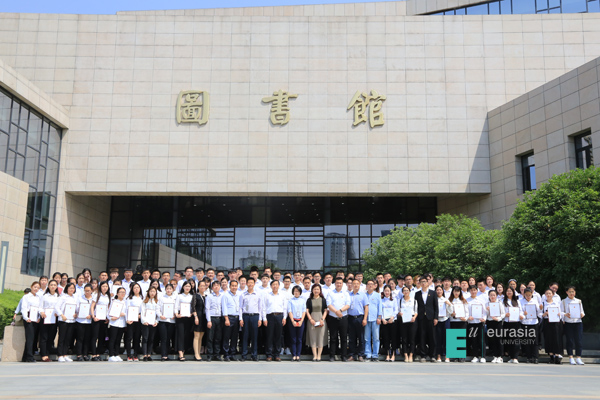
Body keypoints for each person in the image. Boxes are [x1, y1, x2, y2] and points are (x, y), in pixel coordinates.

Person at [326, 277, 351, 362]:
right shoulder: (330, 293)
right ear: (335, 284)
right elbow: (329, 304)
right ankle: (332, 355)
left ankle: (344, 356)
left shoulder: (346, 293)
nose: (339, 284)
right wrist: (336, 312)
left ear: (342, 284)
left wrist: (340, 311)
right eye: (337, 283)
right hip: (333, 317)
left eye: (340, 283)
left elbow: (348, 305)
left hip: (343, 318)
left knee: (344, 338)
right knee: (333, 338)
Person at [414, 276, 438, 362]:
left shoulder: (433, 293)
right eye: (421, 282)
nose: (423, 283)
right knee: (422, 337)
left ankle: (433, 355)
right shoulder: (417, 294)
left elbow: (436, 306)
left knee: (432, 337)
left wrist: (435, 317)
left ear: (428, 283)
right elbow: (415, 306)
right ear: (419, 283)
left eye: (424, 281)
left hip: (431, 317)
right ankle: (423, 355)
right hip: (421, 317)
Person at [263, 280, 287, 362]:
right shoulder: (267, 295)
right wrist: (264, 318)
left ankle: (277, 354)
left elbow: (285, 308)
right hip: (270, 316)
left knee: (278, 336)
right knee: (269, 336)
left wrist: (284, 318)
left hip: (279, 316)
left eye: (276, 284)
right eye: (273, 284)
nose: (275, 286)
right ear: (271, 286)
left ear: (279, 286)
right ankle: (269, 354)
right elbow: (264, 307)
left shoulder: (282, 295)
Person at [240, 277, 262, 361]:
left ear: (254, 284)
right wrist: (241, 318)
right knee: (245, 336)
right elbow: (240, 307)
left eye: (252, 283)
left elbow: (260, 308)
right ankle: (244, 355)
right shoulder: (243, 294)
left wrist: (260, 319)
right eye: (248, 283)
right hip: (245, 316)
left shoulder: (258, 294)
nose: (250, 284)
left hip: (255, 316)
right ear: (246, 284)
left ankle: (254, 355)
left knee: (254, 336)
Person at [55, 282, 78, 362]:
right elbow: (57, 307)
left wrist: (76, 314)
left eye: (73, 288)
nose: (72, 290)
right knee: (62, 338)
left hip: (71, 320)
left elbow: (77, 308)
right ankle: (60, 355)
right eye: (70, 288)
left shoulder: (75, 297)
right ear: (67, 289)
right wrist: (61, 315)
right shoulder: (63, 297)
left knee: (68, 338)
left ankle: (65, 354)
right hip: (63, 320)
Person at [562, 286, 585, 365]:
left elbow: (582, 311)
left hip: (578, 322)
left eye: (573, 292)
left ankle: (578, 357)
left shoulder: (578, 301)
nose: (571, 293)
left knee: (578, 340)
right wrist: (565, 314)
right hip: (568, 323)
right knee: (570, 340)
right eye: (570, 291)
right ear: (567, 292)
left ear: (575, 292)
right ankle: (571, 357)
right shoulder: (564, 301)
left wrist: (582, 314)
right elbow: (561, 312)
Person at [306, 283, 328, 362]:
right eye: (315, 289)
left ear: (320, 290)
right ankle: (314, 355)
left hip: (321, 320)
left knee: (320, 338)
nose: (316, 291)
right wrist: (311, 319)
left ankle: (319, 356)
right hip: (312, 320)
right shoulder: (309, 300)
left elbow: (325, 310)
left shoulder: (323, 300)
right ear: (312, 290)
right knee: (313, 338)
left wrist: (322, 319)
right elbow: (307, 311)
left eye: (318, 289)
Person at [347, 279, 368, 362]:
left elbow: (366, 307)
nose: (355, 285)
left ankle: (361, 355)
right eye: (354, 284)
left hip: (360, 318)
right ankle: (352, 355)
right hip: (350, 318)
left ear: (359, 285)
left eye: (357, 284)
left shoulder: (363, 295)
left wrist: (365, 319)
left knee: (361, 337)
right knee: (351, 338)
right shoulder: (348, 295)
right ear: (351, 285)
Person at [39, 279, 60, 362]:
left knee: (51, 337)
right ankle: (43, 355)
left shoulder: (58, 297)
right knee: (44, 337)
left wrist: (58, 313)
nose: (53, 286)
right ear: (48, 286)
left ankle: (47, 353)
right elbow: (40, 306)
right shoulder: (44, 296)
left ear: (57, 287)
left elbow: (60, 307)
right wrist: (42, 312)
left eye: (54, 285)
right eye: (51, 285)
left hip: (54, 319)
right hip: (45, 318)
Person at [175, 280, 196, 362]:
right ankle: (180, 353)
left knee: (186, 335)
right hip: (180, 317)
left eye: (189, 286)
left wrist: (191, 313)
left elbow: (193, 307)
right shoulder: (179, 296)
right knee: (180, 335)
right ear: (183, 287)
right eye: (186, 286)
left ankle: (184, 350)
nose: (187, 288)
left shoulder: (192, 296)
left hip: (189, 317)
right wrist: (176, 314)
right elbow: (176, 306)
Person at [21, 281, 42, 362]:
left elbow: (39, 308)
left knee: (32, 338)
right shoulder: (26, 296)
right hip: (28, 318)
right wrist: (26, 318)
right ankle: (29, 357)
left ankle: (25, 357)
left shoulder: (38, 297)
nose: (36, 289)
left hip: (35, 319)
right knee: (29, 338)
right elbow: (24, 308)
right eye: (35, 287)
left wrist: (39, 317)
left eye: (38, 288)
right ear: (31, 287)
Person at [90, 281, 111, 361]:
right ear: (100, 287)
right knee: (94, 337)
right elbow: (92, 306)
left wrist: (108, 318)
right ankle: (93, 354)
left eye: (106, 286)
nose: (105, 288)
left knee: (101, 337)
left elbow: (108, 308)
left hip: (104, 319)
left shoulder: (108, 296)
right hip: (97, 318)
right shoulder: (96, 295)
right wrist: (93, 316)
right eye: (103, 286)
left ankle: (98, 353)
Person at [221, 280, 242, 362]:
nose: (234, 287)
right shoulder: (225, 295)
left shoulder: (239, 295)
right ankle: (226, 354)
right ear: (229, 286)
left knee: (235, 337)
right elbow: (224, 308)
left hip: (237, 318)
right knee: (226, 336)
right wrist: (226, 318)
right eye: (232, 286)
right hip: (229, 317)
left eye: (235, 286)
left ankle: (232, 354)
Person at [542, 288, 563, 364]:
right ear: (545, 295)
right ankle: (551, 357)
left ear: (552, 294)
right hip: (547, 322)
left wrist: (559, 314)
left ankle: (557, 357)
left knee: (557, 339)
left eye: (550, 293)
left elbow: (561, 313)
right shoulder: (543, 304)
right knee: (548, 339)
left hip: (556, 322)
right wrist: (544, 314)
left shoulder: (557, 303)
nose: (548, 295)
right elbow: (540, 314)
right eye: (547, 293)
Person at [520, 288, 541, 364]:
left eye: (529, 295)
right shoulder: (521, 301)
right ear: (524, 294)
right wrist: (523, 314)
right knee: (527, 341)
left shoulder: (535, 301)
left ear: (532, 294)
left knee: (535, 341)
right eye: (526, 295)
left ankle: (535, 357)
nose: (528, 296)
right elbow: (520, 311)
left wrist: (540, 309)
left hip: (534, 323)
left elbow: (539, 312)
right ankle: (528, 357)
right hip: (525, 323)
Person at [503, 287, 524, 364]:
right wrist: (505, 314)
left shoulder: (517, 301)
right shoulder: (503, 301)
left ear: (513, 292)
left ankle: (515, 357)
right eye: (507, 291)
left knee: (516, 340)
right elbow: (501, 312)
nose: (509, 292)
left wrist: (521, 316)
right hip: (507, 322)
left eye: (510, 291)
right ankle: (511, 357)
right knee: (509, 340)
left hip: (516, 323)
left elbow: (521, 311)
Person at [467, 285, 487, 363]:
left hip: (480, 322)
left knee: (481, 340)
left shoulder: (481, 300)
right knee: (473, 340)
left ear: (477, 291)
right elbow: (465, 311)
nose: (473, 292)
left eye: (474, 290)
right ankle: (475, 356)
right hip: (471, 323)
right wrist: (468, 317)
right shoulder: (467, 300)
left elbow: (484, 312)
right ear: (470, 291)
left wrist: (484, 318)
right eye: (472, 290)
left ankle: (483, 356)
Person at [157, 283, 177, 361]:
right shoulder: (161, 298)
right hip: (163, 320)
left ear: (173, 290)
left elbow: (176, 308)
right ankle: (163, 355)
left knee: (168, 338)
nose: (169, 290)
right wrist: (160, 315)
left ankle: (167, 354)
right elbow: (157, 308)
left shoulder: (175, 298)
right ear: (165, 290)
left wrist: (175, 315)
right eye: (167, 289)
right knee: (163, 338)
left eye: (170, 289)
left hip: (171, 321)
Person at [448, 286, 468, 362]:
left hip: (461, 322)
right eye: (455, 291)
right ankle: (453, 356)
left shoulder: (463, 301)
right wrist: (451, 314)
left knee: (461, 339)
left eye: (458, 291)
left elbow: (467, 312)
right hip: (453, 321)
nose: (456, 293)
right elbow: (447, 312)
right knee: (453, 339)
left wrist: (465, 318)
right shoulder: (449, 301)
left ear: (460, 292)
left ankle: (461, 356)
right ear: (452, 292)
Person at [74, 284, 94, 361]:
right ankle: (79, 354)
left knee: (87, 338)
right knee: (80, 338)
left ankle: (85, 354)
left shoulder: (93, 299)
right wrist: (77, 313)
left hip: (89, 321)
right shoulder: (80, 298)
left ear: (91, 291)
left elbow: (95, 309)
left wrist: (91, 315)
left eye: (88, 290)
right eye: (85, 291)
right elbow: (76, 308)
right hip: (80, 321)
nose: (87, 292)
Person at [287, 286, 307, 361]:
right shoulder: (290, 300)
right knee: (293, 339)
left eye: (298, 291)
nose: (296, 292)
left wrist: (301, 321)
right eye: (295, 291)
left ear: (300, 292)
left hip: (300, 320)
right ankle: (294, 355)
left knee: (299, 339)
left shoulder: (303, 301)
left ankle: (298, 355)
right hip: (293, 320)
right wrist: (293, 321)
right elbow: (289, 311)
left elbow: (304, 311)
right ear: (293, 292)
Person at [205, 280, 224, 361]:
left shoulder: (222, 296)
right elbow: (207, 309)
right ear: (212, 287)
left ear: (220, 287)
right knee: (210, 337)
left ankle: (217, 354)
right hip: (212, 318)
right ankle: (210, 355)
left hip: (220, 318)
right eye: (215, 285)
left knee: (218, 337)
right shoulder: (209, 296)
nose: (216, 287)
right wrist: (209, 320)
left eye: (218, 285)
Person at [125, 282, 144, 361]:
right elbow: (126, 309)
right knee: (129, 337)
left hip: (139, 319)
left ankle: (136, 354)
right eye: (135, 288)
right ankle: (129, 355)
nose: (136, 289)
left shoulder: (142, 298)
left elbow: (144, 309)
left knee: (137, 337)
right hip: (131, 319)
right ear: (132, 289)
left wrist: (141, 316)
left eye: (138, 287)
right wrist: (127, 319)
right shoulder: (129, 298)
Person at [399, 286, 418, 363]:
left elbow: (416, 311)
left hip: (412, 320)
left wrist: (414, 317)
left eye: (407, 290)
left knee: (412, 339)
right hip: (404, 321)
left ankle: (411, 355)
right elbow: (398, 310)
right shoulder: (401, 300)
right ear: (402, 292)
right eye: (404, 290)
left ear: (410, 292)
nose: (406, 292)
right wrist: (400, 313)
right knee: (404, 339)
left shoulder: (414, 300)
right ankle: (405, 355)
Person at [364, 279, 381, 362]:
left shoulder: (377, 295)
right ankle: (368, 354)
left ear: (374, 286)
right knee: (367, 338)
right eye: (368, 284)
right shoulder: (364, 295)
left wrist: (379, 317)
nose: (370, 285)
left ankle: (375, 355)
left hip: (375, 319)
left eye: (372, 284)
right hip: (366, 319)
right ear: (366, 286)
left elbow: (380, 306)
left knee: (376, 338)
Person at [486, 289, 505, 364]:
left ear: (496, 296)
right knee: (492, 339)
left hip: (498, 322)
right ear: (489, 296)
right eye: (491, 295)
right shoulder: (487, 304)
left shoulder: (499, 303)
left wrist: (498, 318)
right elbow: (485, 314)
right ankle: (495, 356)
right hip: (490, 322)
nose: (492, 297)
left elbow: (503, 313)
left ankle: (500, 356)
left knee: (499, 339)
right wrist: (487, 310)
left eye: (494, 295)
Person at [140, 286, 159, 361]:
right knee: (145, 338)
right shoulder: (144, 301)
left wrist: (156, 321)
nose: (152, 293)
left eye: (154, 291)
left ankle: (149, 354)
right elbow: (142, 312)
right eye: (151, 291)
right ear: (148, 292)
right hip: (146, 323)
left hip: (153, 323)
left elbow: (158, 313)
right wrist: (144, 321)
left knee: (151, 339)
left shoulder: (157, 302)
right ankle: (145, 355)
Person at [380, 285, 397, 362]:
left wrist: (392, 318)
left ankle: (393, 354)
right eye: (385, 291)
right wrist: (382, 319)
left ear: (390, 292)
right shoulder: (381, 300)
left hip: (392, 320)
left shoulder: (394, 300)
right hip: (384, 321)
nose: (387, 292)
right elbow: (380, 310)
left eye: (388, 291)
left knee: (393, 338)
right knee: (386, 338)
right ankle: (387, 354)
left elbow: (396, 310)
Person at [434, 285, 451, 363]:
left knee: (447, 338)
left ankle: (447, 355)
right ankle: (439, 355)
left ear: (442, 291)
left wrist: (449, 304)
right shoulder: (434, 299)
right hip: (437, 321)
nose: (439, 291)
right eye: (437, 290)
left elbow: (450, 311)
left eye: (440, 290)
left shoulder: (446, 299)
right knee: (438, 338)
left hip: (445, 320)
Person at [193, 280, 207, 361]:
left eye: (204, 286)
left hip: (204, 318)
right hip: (197, 317)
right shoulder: (195, 296)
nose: (202, 287)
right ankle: (196, 354)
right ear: (198, 287)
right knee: (196, 336)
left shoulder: (206, 296)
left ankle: (199, 352)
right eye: (201, 286)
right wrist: (195, 317)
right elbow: (193, 307)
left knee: (201, 336)